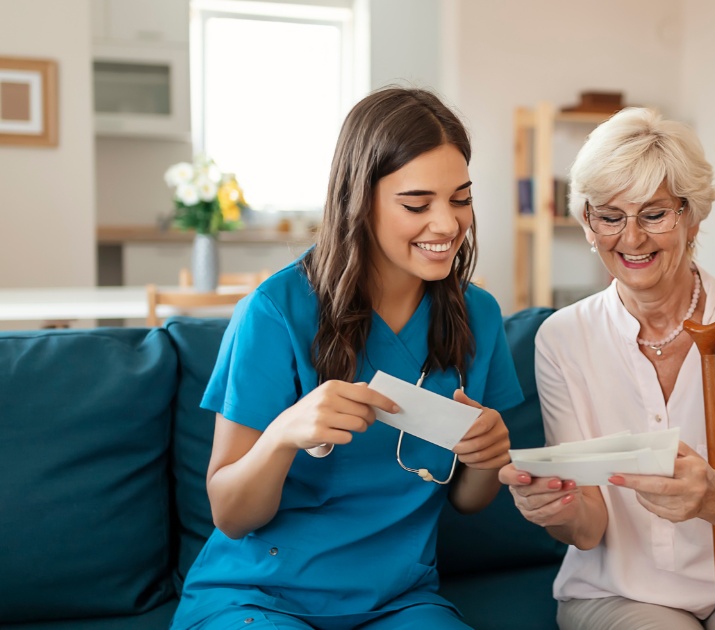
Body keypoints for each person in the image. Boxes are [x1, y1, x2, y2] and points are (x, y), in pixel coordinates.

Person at [172, 87, 524, 630]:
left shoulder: (477, 315)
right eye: (417, 204)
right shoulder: (275, 312)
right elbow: (231, 513)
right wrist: (284, 432)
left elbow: (470, 501)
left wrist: (487, 456)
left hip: (398, 601)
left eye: (461, 199)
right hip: (260, 597)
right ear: (359, 199)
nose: (448, 224)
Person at [499, 108, 715, 629]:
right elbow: (587, 532)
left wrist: (714, 495)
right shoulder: (562, 339)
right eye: (610, 216)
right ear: (588, 223)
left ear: (693, 216)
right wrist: (556, 511)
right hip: (620, 591)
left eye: (654, 214)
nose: (631, 240)